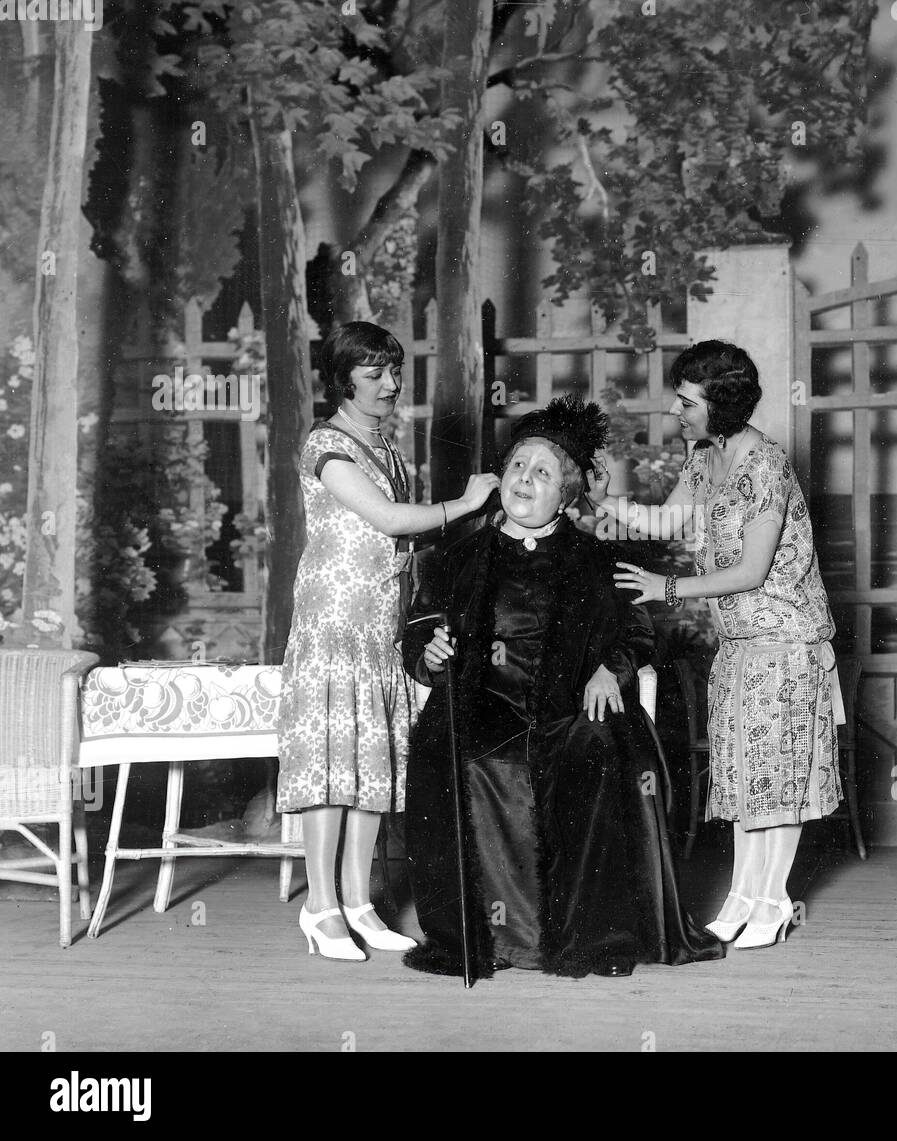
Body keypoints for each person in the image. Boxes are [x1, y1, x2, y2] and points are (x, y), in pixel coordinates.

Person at [401, 393, 724, 979]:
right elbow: (419, 630)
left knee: (597, 751)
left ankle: (593, 939)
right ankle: (476, 938)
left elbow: (636, 634)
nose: (524, 479)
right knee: (446, 751)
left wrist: (610, 670)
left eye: (542, 472)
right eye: (517, 467)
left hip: (568, 708)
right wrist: (431, 651)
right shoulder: (454, 558)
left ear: (567, 493)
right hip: (483, 703)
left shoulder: (597, 559)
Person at [598, 340, 844, 951]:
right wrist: (602, 499)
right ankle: (741, 897)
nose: (677, 411)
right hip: (740, 640)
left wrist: (668, 586)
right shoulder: (705, 457)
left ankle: (772, 901)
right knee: (743, 775)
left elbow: (753, 571)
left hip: (787, 638)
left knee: (777, 779)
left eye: (687, 402)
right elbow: (665, 522)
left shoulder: (767, 465)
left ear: (722, 403)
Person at [277, 321, 499, 962]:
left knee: (370, 761)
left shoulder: (392, 454)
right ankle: (320, 908)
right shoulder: (328, 442)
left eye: (392, 371)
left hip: (380, 624)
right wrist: (465, 504)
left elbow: (408, 539)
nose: (389, 384)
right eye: (372, 374)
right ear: (342, 380)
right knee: (330, 762)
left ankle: (358, 902)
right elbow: (389, 520)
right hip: (333, 622)